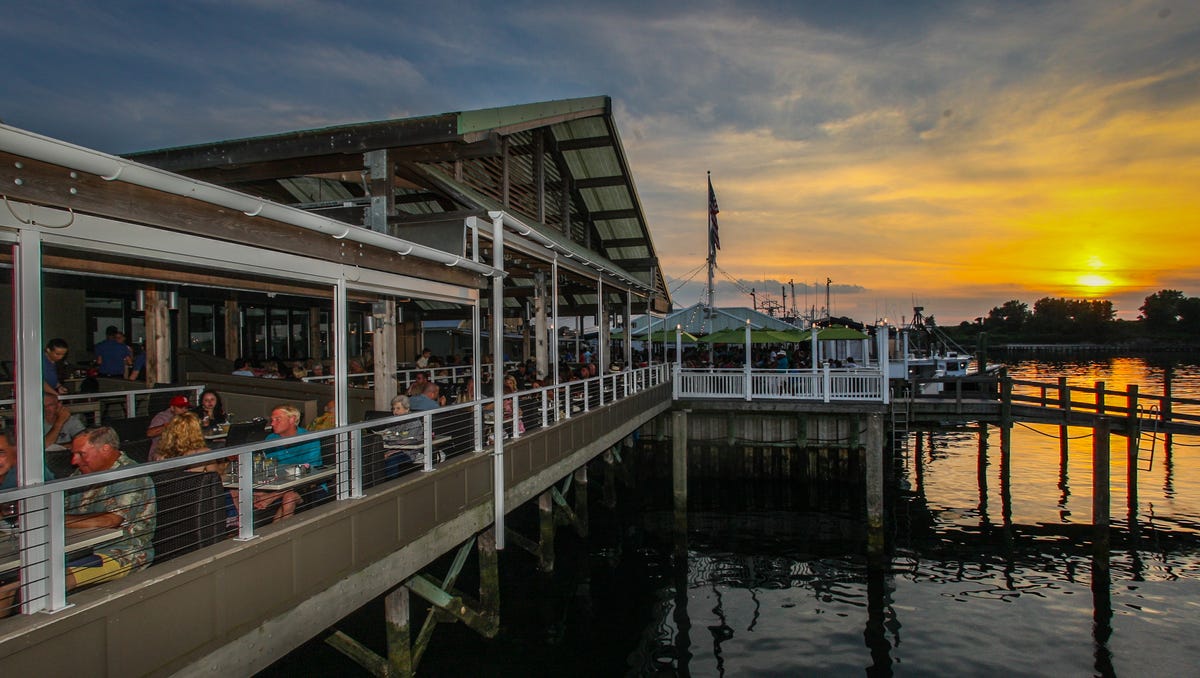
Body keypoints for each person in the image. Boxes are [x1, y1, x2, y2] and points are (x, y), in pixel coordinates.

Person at [157, 412, 226, 474]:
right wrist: (224, 462)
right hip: (195, 487)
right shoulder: (202, 453)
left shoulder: (159, 456)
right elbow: (216, 475)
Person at [147, 395, 192, 460]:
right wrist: (170, 425)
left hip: (182, 449)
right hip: (160, 452)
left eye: (186, 407)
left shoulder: (187, 416)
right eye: (181, 407)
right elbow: (150, 433)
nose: (184, 410)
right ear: (172, 408)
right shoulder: (162, 417)